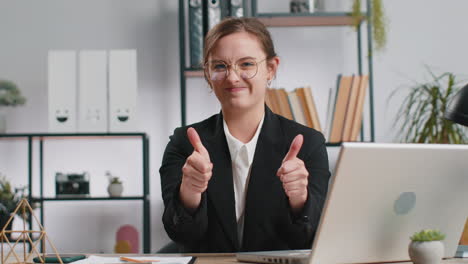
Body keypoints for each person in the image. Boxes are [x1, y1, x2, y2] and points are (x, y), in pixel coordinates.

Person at [160, 17, 330, 253]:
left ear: (271, 69)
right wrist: (189, 192)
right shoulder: (184, 143)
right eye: (220, 66)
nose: (232, 77)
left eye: (247, 64)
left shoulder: (308, 144)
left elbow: (306, 239)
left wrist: (299, 198)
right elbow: (181, 235)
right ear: (208, 74)